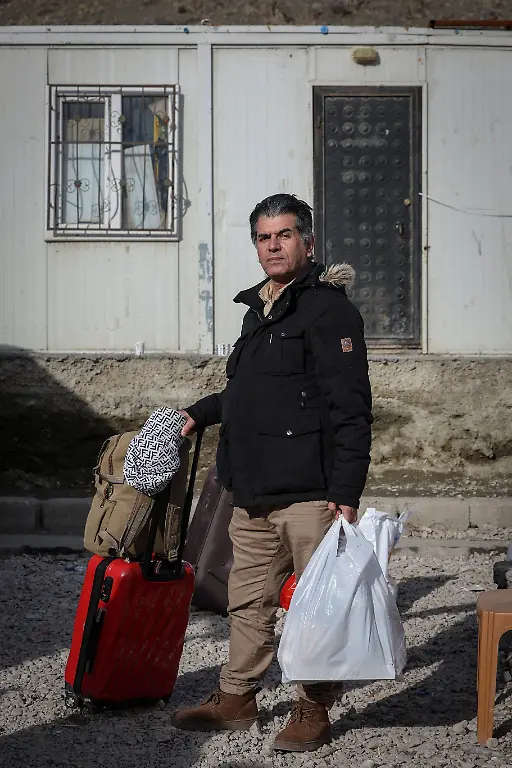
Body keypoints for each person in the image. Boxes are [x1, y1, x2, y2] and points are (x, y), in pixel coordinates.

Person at [173, 193, 373, 752]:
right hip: (253, 487)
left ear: (307, 242)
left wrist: (347, 490)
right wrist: (197, 413)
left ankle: (312, 708)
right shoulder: (257, 310)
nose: (273, 246)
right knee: (247, 600)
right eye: (264, 237)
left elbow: (351, 406)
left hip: (311, 491)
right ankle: (237, 698)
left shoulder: (330, 310)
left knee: (315, 610)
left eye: (284, 235)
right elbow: (249, 393)